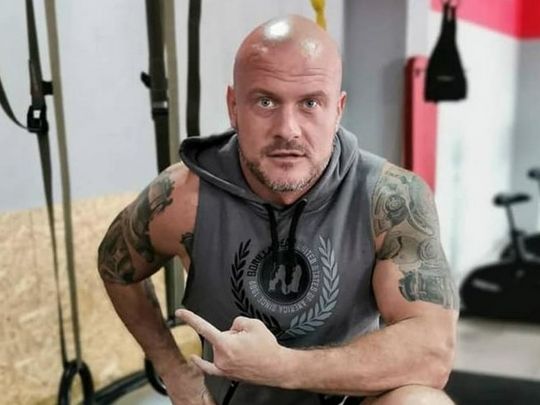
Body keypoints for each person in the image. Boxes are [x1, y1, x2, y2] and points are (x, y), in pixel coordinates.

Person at [98, 14, 459, 405]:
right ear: (234, 107)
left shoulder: (389, 199)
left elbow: (431, 354)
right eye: (265, 102)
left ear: (338, 109)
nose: (288, 129)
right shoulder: (185, 196)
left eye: (310, 103)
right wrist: (172, 368)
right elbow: (115, 267)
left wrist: (280, 366)